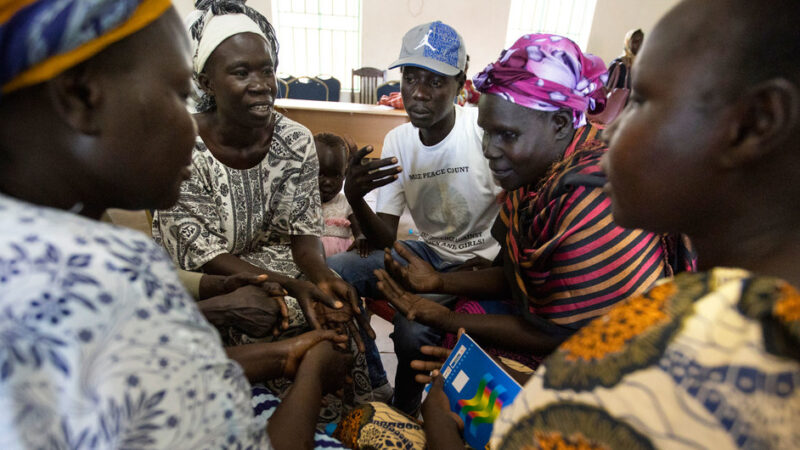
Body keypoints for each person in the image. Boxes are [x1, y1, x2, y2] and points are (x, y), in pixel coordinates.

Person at [427, 0, 800, 447]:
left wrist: (441, 431)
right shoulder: (710, 306)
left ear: (755, 122)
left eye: (641, 101)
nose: (606, 132)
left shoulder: (679, 375)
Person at [0, 1, 353, 449]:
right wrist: (310, 373)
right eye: (177, 93)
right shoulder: (107, 275)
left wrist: (284, 349)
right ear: (81, 96)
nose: (189, 129)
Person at [375, 33, 694, 382]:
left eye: (507, 135)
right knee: (460, 342)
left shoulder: (595, 195)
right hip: (559, 329)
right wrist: (439, 281)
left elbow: (563, 333)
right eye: (486, 132)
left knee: (459, 361)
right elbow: (518, 278)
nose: (489, 150)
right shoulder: (533, 176)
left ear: (558, 124)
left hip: (617, 359)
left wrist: (445, 318)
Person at [151, 0, 374, 418]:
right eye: (241, 72)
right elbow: (207, 256)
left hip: (277, 263)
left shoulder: (296, 140)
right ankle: (269, 417)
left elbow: (305, 242)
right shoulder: (183, 146)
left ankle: (345, 420)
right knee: (261, 313)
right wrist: (291, 288)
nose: (262, 84)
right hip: (208, 276)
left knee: (337, 310)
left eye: (267, 70)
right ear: (207, 82)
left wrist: (322, 278)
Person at [327, 21, 504, 414]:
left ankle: (406, 407)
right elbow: (386, 237)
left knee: (410, 335)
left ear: (460, 84)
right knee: (332, 272)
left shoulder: (481, 133)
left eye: (435, 81)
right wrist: (355, 198)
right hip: (427, 254)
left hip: (482, 262)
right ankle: (372, 381)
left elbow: (513, 214)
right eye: (410, 78)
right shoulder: (399, 141)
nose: (419, 93)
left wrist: (492, 262)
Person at [314, 133, 369, 258]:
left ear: (345, 174)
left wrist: (361, 237)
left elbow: (358, 229)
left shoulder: (345, 202)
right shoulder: (302, 201)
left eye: (336, 175)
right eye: (320, 174)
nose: (328, 182)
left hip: (341, 258)